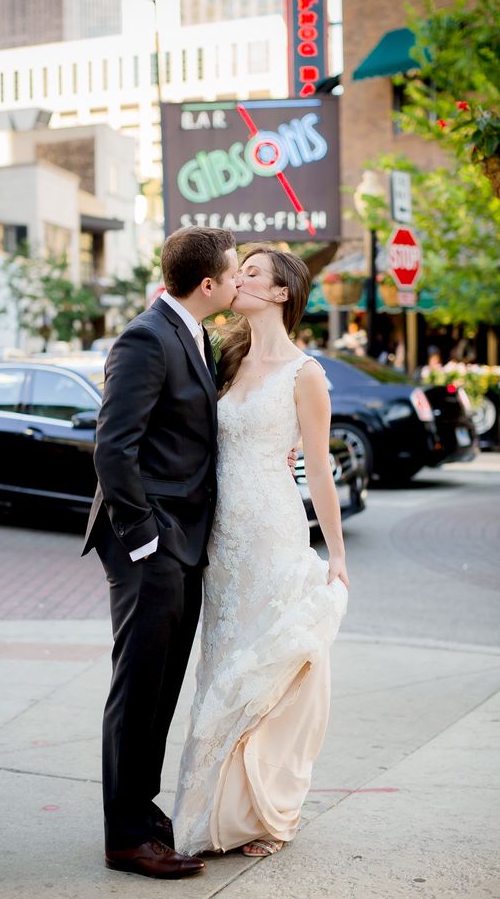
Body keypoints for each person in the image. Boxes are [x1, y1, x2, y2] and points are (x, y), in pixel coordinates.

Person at [83, 227, 297, 880]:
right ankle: (126, 836)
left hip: (185, 542)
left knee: (161, 687)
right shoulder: (148, 337)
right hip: (153, 546)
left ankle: (144, 817)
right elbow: (112, 449)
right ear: (208, 284)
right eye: (234, 273)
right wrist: (146, 538)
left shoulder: (194, 334)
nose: (239, 282)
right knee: (138, 688)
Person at [173, 245, 350, 858]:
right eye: (236, 271)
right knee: (224, 665)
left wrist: (337, 556)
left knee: (266, 670)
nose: (236, 280)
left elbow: (320, 473)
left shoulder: (307, 375)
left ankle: (262, 811)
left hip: (274, 531)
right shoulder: (224, 355)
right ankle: (213, 807)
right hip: (223, 540)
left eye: (251, 274)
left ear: (279, 294)